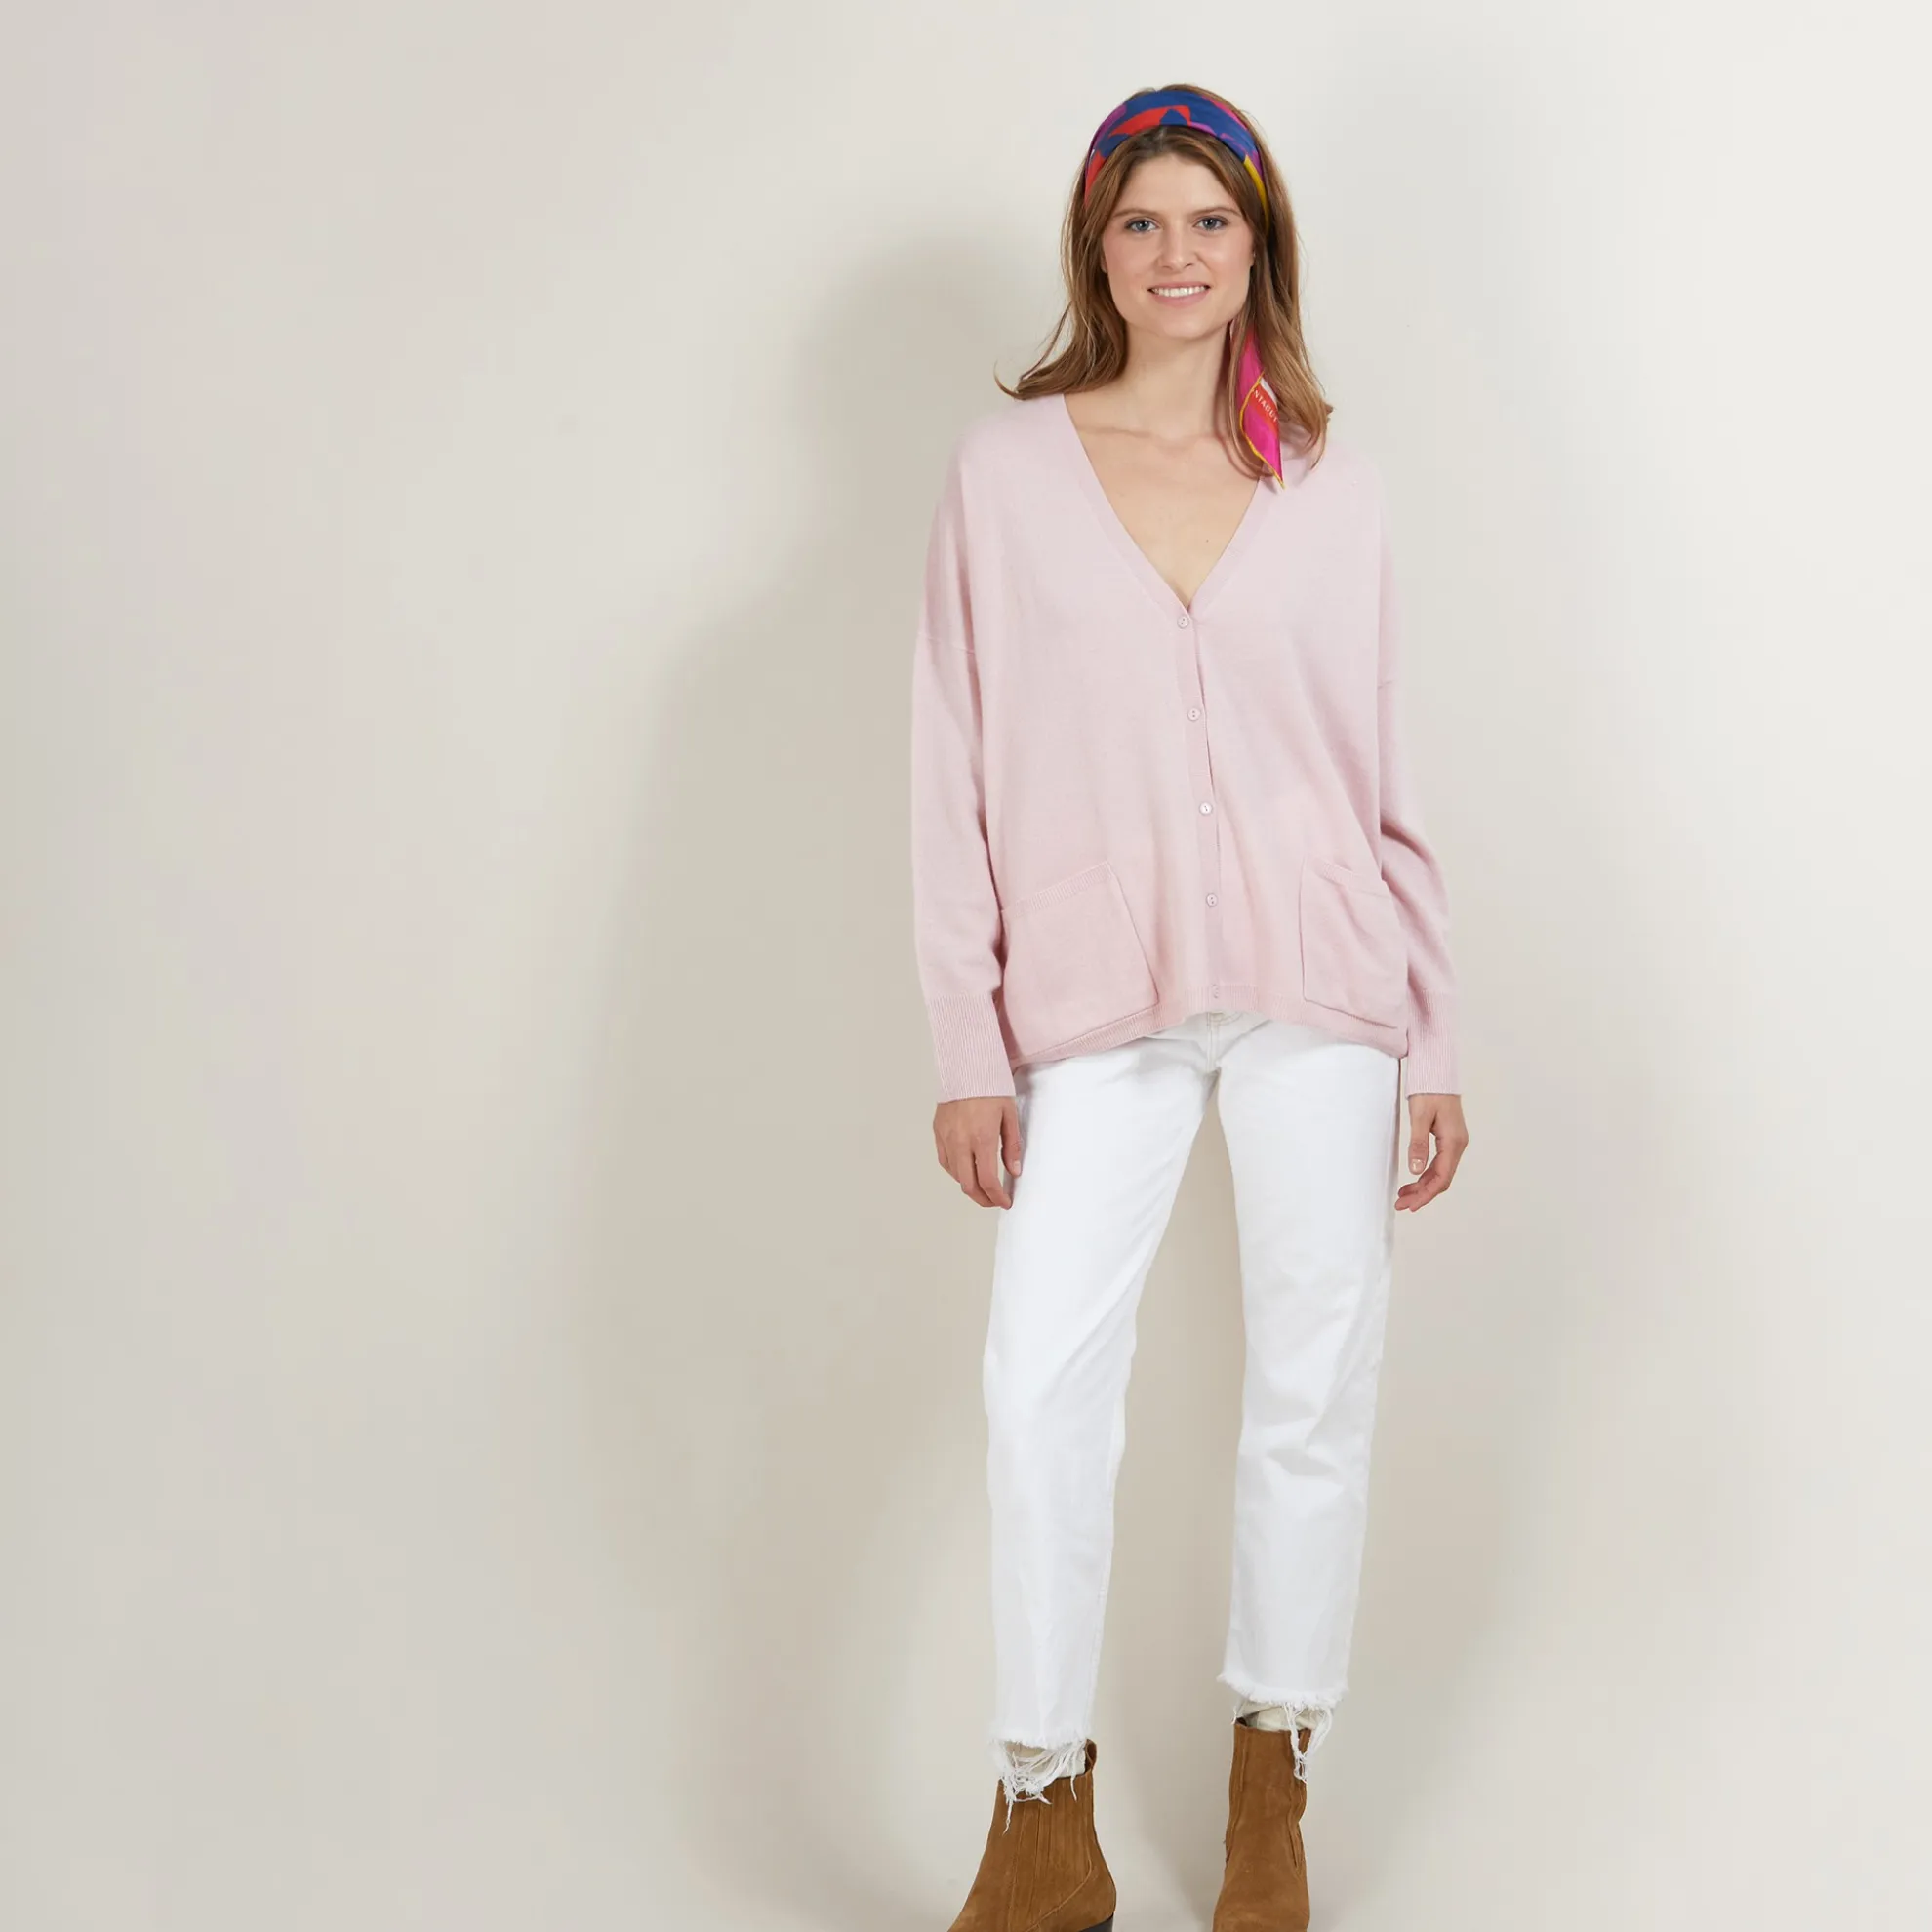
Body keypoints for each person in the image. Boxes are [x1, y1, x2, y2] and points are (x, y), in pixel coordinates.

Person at [908, 83, 1469, 1932]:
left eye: (1209, 223)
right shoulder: (1007, 474)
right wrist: (967, 1041)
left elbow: (1385, 770)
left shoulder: (1332, 484)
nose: (1176, 255)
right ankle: (1040, 1810)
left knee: (1318, 1381)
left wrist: (1434, 1036)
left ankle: (1270, 1793)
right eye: (1141, 221)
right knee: (1038, 1384)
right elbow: (948, 770)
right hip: (1096, 996)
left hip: (1326, 988)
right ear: (1096, 247)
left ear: (1258, 247)